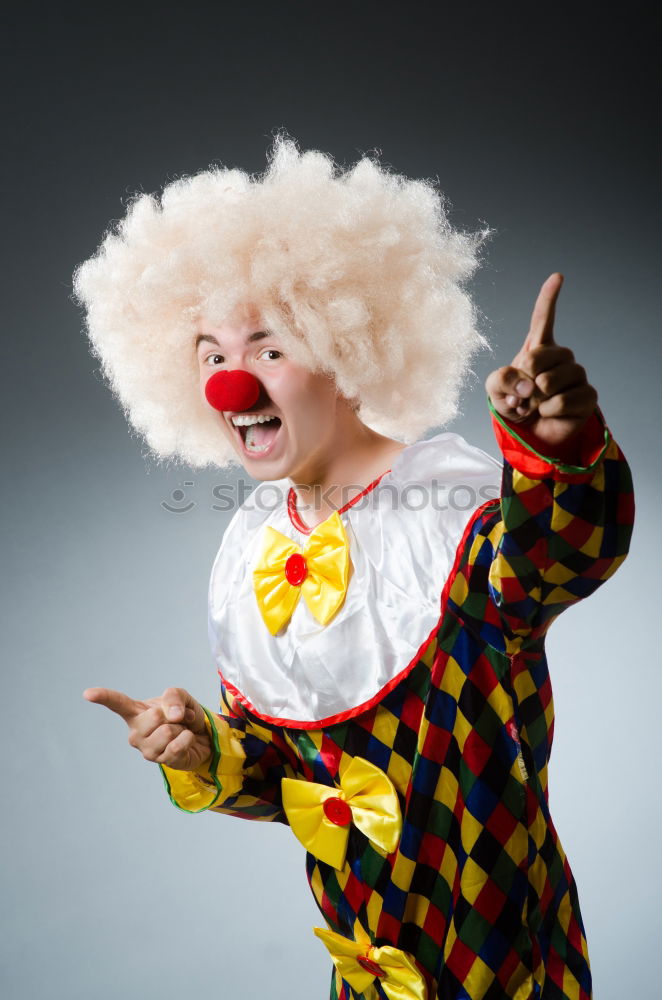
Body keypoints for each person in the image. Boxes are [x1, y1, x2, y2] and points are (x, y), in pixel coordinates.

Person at [73, 134, 634, 1000]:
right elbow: (291, 776)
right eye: (212, 354)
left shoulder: (451, 511)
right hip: (366, 978)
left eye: (267, 348)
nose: (231, 384)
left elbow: (554, 557)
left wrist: (557, 449)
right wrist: (202, 751)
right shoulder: (255, 553)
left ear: (345, 346)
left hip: (505, 964)